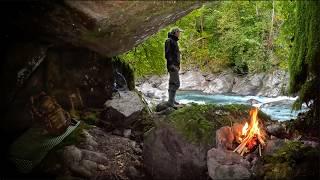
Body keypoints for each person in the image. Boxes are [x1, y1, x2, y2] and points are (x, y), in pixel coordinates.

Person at [165, 27, 183, 108]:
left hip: (175, 66)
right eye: (179, 32)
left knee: (172, 83)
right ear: (175, 32)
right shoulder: (169, 41)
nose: (180, 34)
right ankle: (170, 102)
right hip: (172, 66)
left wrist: (178, 65)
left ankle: (172, 100)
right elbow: (168, 54)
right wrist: (172, 65)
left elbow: (175, 55)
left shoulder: (174, 41)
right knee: (176, 84)